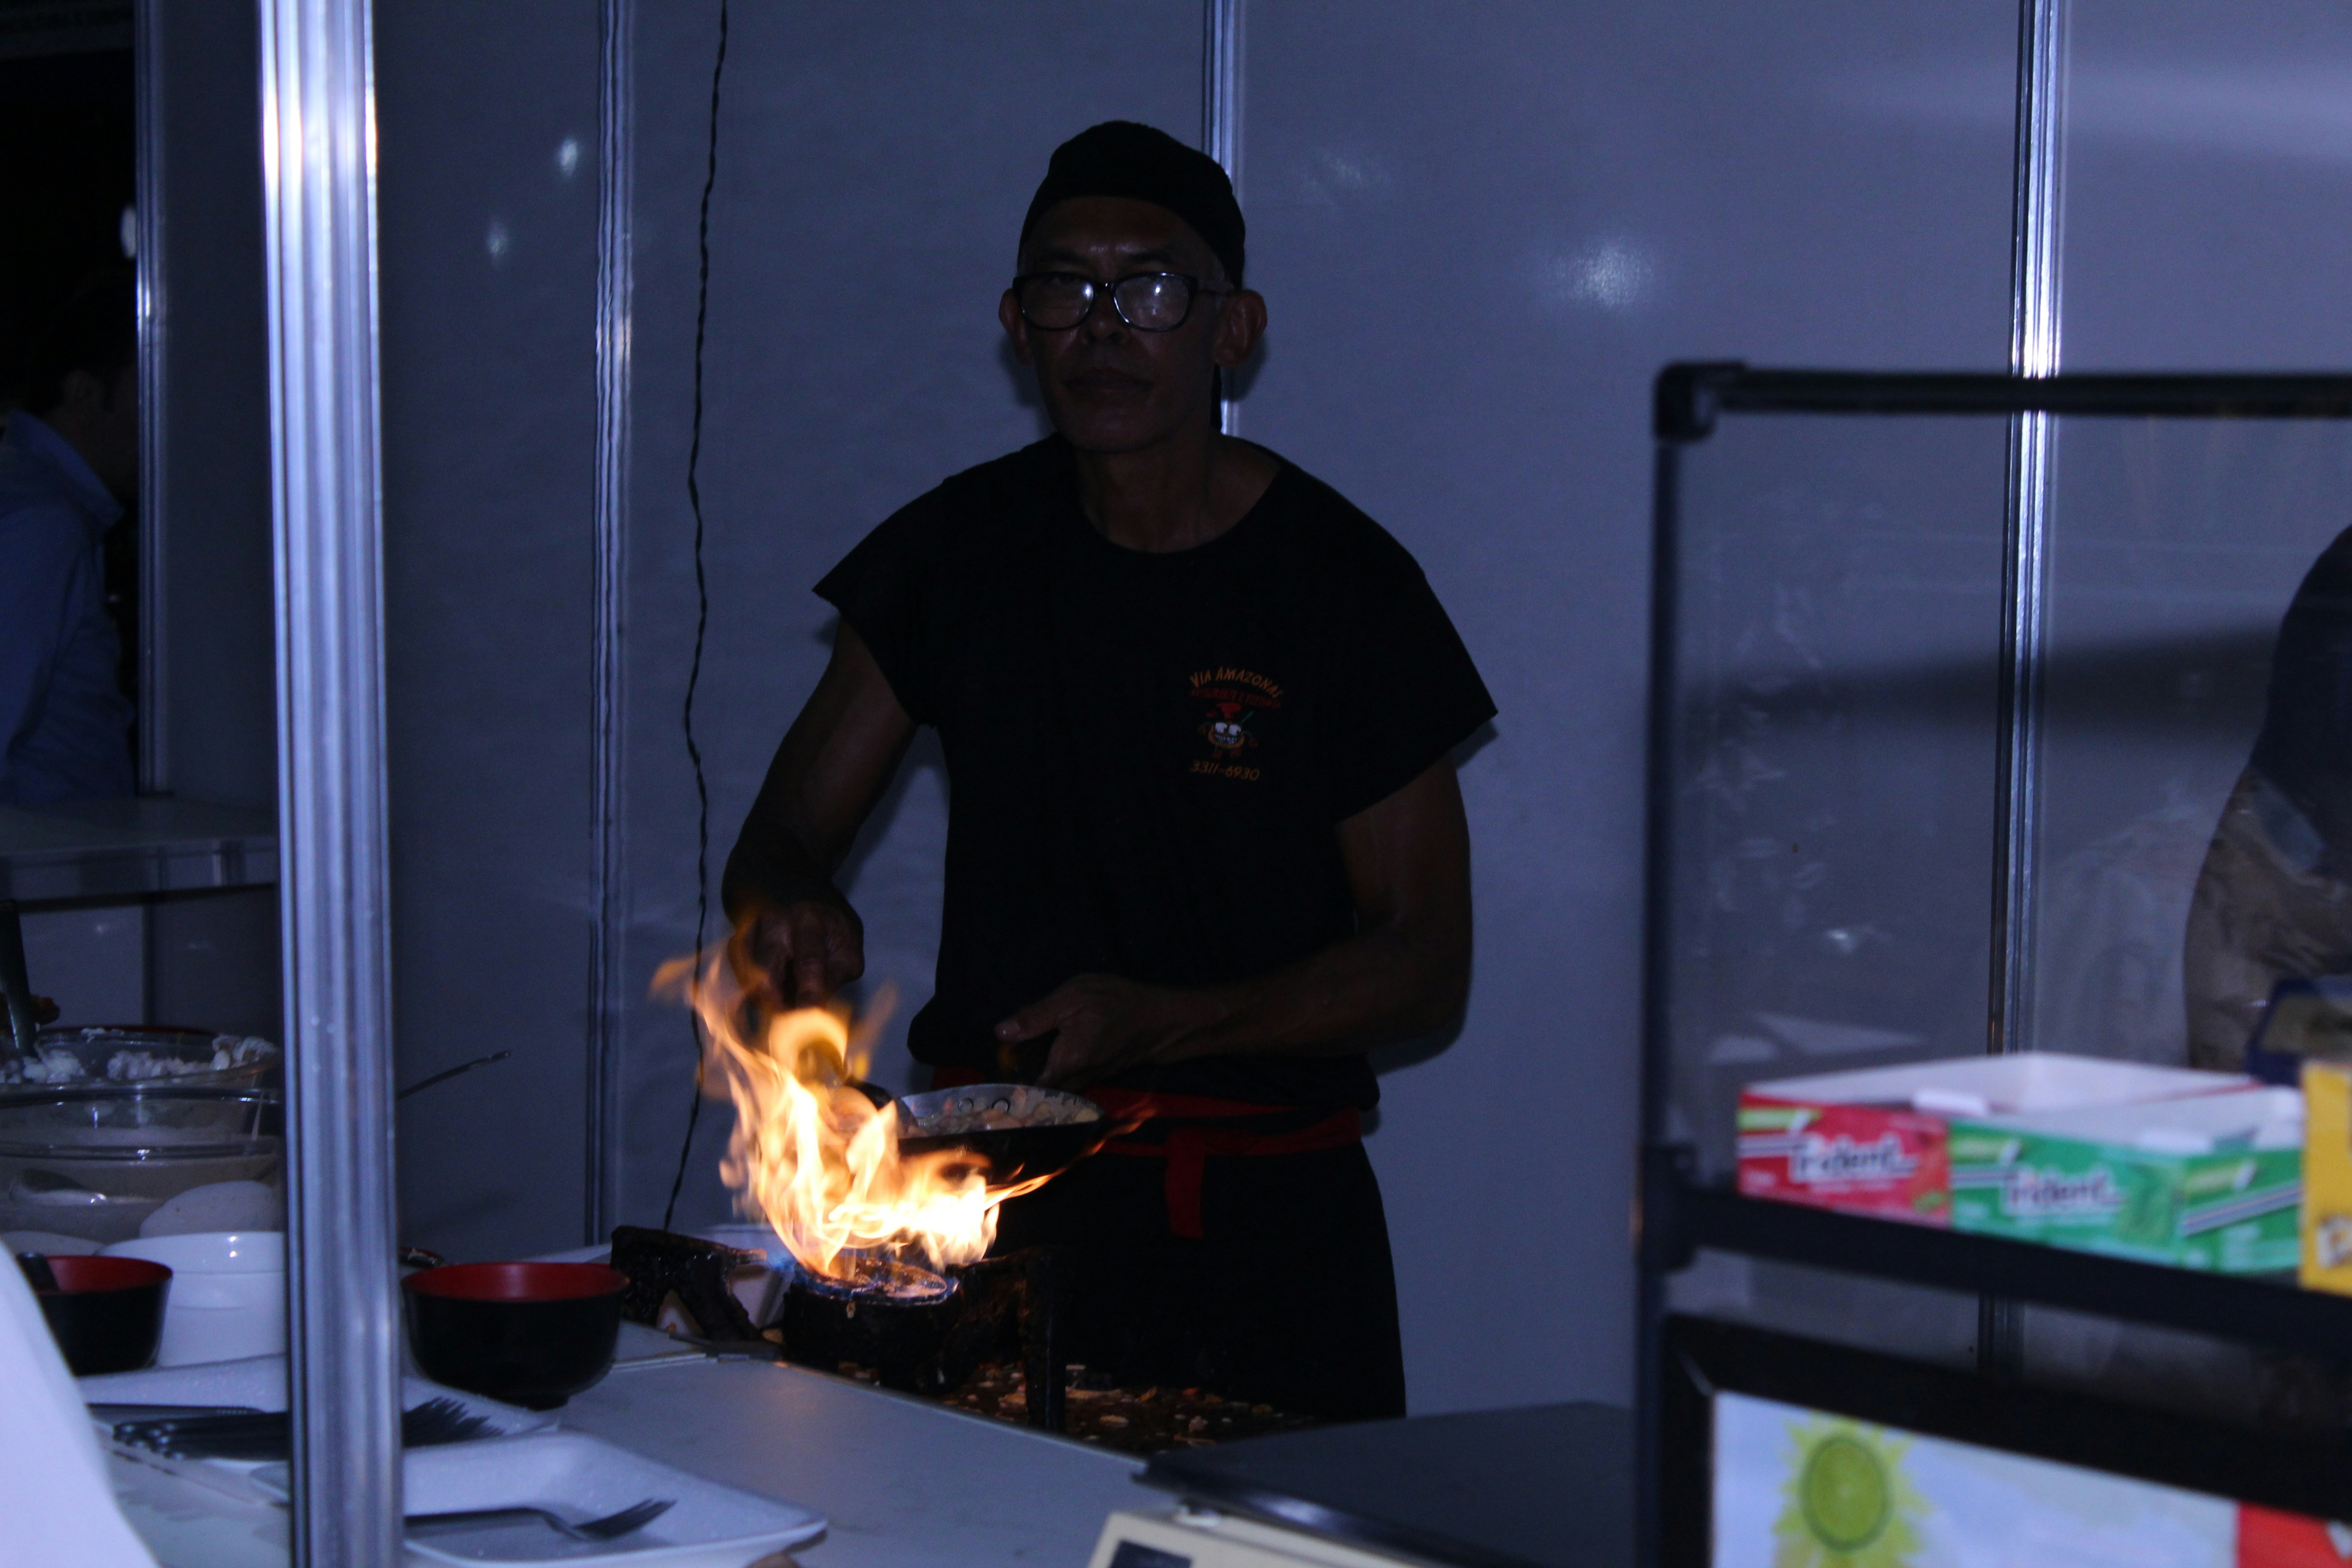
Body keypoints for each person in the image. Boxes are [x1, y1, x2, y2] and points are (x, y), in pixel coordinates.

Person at [722, 122, 1494, 1421]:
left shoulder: (1341, 586)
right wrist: (790, 896)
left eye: (1150, 288)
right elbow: (780, 834)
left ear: (1232, 327)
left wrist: (1165, 1020)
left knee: (1273, 1526)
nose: (1101, 327)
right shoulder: (957, 553)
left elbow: (1423, 963)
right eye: (1063, 288)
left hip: (1266, 1226)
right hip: (991, 1215)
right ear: (1015, 325)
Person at [0, 271, 137, 807]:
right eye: (147, 388)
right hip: (55, 852)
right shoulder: (44, 523)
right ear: (85, 395)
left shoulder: (31, 497)